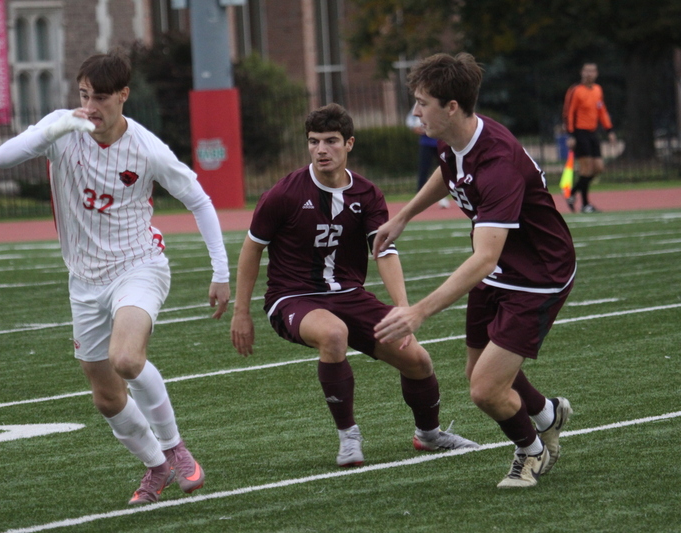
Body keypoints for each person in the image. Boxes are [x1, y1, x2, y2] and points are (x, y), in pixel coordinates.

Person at [0, 50, 230, 505]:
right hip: (83, 281)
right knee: (106, 397)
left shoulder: (147, 149)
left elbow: (199, 200)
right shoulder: (63, 126)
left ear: (124, 95)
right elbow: (3, 158)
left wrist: (220, 271)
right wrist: (57, 127)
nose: (90, 107)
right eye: (83, 96)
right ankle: (156, 468)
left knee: (126, 359)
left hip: (137, 265)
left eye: (100, 98)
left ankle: (175, 448)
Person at [230, 103, 478, 468]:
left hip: (349, 295)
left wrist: (403, 308)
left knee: (418, 360)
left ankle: (429, 435)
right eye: (313, 142)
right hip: (292, 296)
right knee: (333, 334)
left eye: (330, 141)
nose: (321, 150)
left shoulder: (366, 194)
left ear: (349, 144)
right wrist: (241, 313)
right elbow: (252, 249)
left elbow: (385, 250)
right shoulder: (283, 194)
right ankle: (348, 437)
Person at [372, 53, 575, 488]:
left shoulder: (497, 164)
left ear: (451, 106)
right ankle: (546, 413)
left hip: (537, 275)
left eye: (422, 102)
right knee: (478, 370)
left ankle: (532, 451)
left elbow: (483, 257)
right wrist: (403, 216)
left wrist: (419, 311)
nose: (415, 112)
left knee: (484, 390)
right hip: (502, 267)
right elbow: (448, 174)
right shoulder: (454, 138)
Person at [562, 62, 616, 213]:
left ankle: (572, 193)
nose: (589, 74)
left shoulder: (598, 90)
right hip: (579, 133)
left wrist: (609, 130)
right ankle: (585, 205)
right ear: (581, 72)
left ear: (596, 73)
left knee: (598, 168)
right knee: (586, 169)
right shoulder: (575, 90)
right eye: (586, 71)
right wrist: (571, 134)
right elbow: (568, 113)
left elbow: (602, 111)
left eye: (592, 71)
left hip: (592, 133)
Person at [406, 107, 450, 208]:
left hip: (441, 143)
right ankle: (419, 199)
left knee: (446, 170)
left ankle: (445, 196)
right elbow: (410, 120)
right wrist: (414, 128)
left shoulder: (440, 105)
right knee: (423, 170)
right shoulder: (419, 106)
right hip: (426, 143)